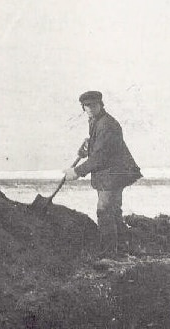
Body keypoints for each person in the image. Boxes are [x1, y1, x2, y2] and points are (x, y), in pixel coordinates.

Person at [64, 91, 142, 258]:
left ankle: (109, 255)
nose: (90, 108)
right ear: (83, 108)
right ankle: (120, 250)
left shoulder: (106, 124)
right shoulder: (96, 121)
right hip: (111, 174)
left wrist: (77, 171)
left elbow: (101, 156)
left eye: (93, 105)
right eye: (87, 106)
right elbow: (100, 149)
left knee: (105, 211)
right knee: (113, 211)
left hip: (113, 175)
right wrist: (88, 146)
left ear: (101, 104)